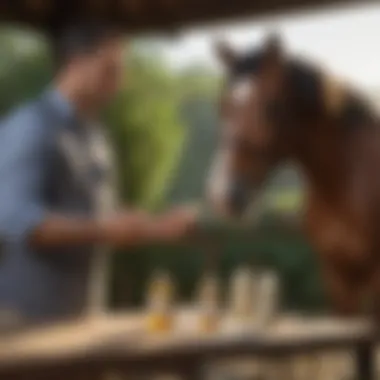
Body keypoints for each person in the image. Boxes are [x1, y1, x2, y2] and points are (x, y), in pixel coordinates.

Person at [0, 23, 198, 326]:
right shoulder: (29, 126)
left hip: (82, 321)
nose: (119, 83)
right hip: (25, 325)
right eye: (110, 70)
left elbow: (100, 222)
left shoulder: (97, 137)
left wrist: (155, 227)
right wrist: (106, 229)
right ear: (76, 63)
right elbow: (19, 222)